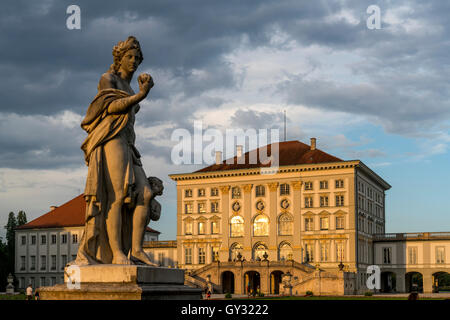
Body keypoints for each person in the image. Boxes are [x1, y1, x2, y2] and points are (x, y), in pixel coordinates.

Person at [75, 36, 156, 265]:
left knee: (145, 193)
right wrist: (140, 95)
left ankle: (137, 250)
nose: (134, 61)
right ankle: (117, 252)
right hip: (111, 139)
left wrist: (138, 92)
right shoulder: (108, 79)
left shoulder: (130, 87)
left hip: (128, 143)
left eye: (137, 58)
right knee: (117, 195)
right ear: (119, 58)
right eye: (130, 57)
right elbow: (110, 107)